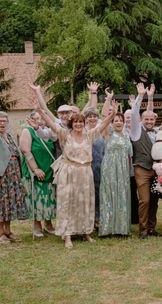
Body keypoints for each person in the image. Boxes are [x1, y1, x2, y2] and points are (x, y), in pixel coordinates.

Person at [31, 84, 118, 248]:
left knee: (85, 202)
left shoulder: (90, 135)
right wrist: (40, 110)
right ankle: (68, 235)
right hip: (69, 172)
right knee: (68, 203)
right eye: (76, 122)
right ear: (72, 124)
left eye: (81, 122)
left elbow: (103, 124)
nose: (78, 124)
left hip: (86, 172)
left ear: (84, 123)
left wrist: (112, 113)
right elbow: (50, 123)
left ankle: (85, 231)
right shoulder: (64, 134)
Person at [130, 84, 160, 239]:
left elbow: (150, 110)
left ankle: (151, 227)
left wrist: (150, 97)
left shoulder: (158, 132)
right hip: (141, 168)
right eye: (146, 119)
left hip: (156, 169)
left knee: (155, 199)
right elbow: (134, 113)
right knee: (145, 200)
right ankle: (143, 229)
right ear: (141, 120)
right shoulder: (135, 131)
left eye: (151, 119)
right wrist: (140, 96)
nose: (149, 121)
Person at [19, 110, 56, 237]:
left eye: (43, 118)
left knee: (48, 199)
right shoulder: (27, 131)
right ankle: (36, 225)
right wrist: (35, 169)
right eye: (37, 118)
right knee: (37, 199)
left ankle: (48, 223)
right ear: (31, 119)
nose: (40, 120)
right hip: (35, 172)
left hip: (49, 172)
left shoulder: (49, 132)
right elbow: (25, 150)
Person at [99, 112, 133, 237]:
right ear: (111, 123)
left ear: (124, 122)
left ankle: (122, 228)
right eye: (115, 120)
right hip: (110, 169)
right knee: (109, 194)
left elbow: (129, 155)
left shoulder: (126, 136)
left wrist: (129, 171)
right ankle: (108, 228)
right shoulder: (108, 134)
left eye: (120, 120)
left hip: (123, 170)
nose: (118, 122)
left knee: (122, 194)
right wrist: (111, 110)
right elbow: (104, 120)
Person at [0, 111, 28, 242]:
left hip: (13, 175)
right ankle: (1, 233)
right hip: (2, 176)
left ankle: (8, 230)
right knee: (2, 203)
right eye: (0, 121)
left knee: (10, 202)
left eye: (4, 121)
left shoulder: (10, 137)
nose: (2, 123)